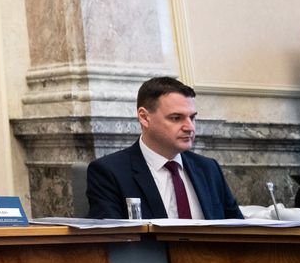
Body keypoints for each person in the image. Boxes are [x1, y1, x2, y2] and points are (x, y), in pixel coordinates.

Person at [86, 76, 242, 220]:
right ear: (144, 117)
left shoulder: (208, 169)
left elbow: (238, 230)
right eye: (176, 118)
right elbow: (112, 237)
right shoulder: (110, 172)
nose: (190, 127)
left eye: (192, 117)